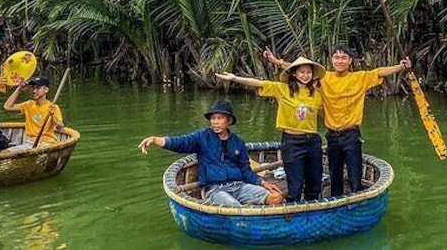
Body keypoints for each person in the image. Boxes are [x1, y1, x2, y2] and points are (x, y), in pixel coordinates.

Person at [265, 45, 411, 196]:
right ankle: (336, 204)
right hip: (332, 136)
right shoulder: (324, 78)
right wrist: (277, 62)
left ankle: (356, 202)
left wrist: (400, 67)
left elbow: (379, 72)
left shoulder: (359, 78)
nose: (340, 61)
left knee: (355, 176)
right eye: (336, 57)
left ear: (350, 61)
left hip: (351, 135)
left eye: (344, 58)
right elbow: (301, 72)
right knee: (335, 177)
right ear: (331, 60)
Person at [215, 57, 325, 203]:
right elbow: (259, 83)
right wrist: (234, 78)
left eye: (308, 72)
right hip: (292, 142)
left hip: (313, 141)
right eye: (301, 72)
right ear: (294, 74)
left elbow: (328, 112)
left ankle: (313, 210)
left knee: (315, 181)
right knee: (295, 183)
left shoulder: (317, 94)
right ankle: (292, 212)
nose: (305, 75)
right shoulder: (282, 89)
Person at [138, 99, 285, 206]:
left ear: (229, 121)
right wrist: (156, 140)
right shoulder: (201, 137)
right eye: (213, 118)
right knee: (234, 207)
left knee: (276, 198)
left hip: (239, 186)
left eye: (219, 118)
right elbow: (180, 143)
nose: (215, 122)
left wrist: (263, 183)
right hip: (214, 190)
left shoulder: (238, 142)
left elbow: (246, 171)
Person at [3, 75, 65, 149]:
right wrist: (19, 90)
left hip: (47, 143)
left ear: (46, 90)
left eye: (38, 88)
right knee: (9, 151)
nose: (34, 91)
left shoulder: (53, 107)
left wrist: (52, 116)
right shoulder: (28, 105)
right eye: (33, 88)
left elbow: (60, 128)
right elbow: (7, 107)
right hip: (30, 143)